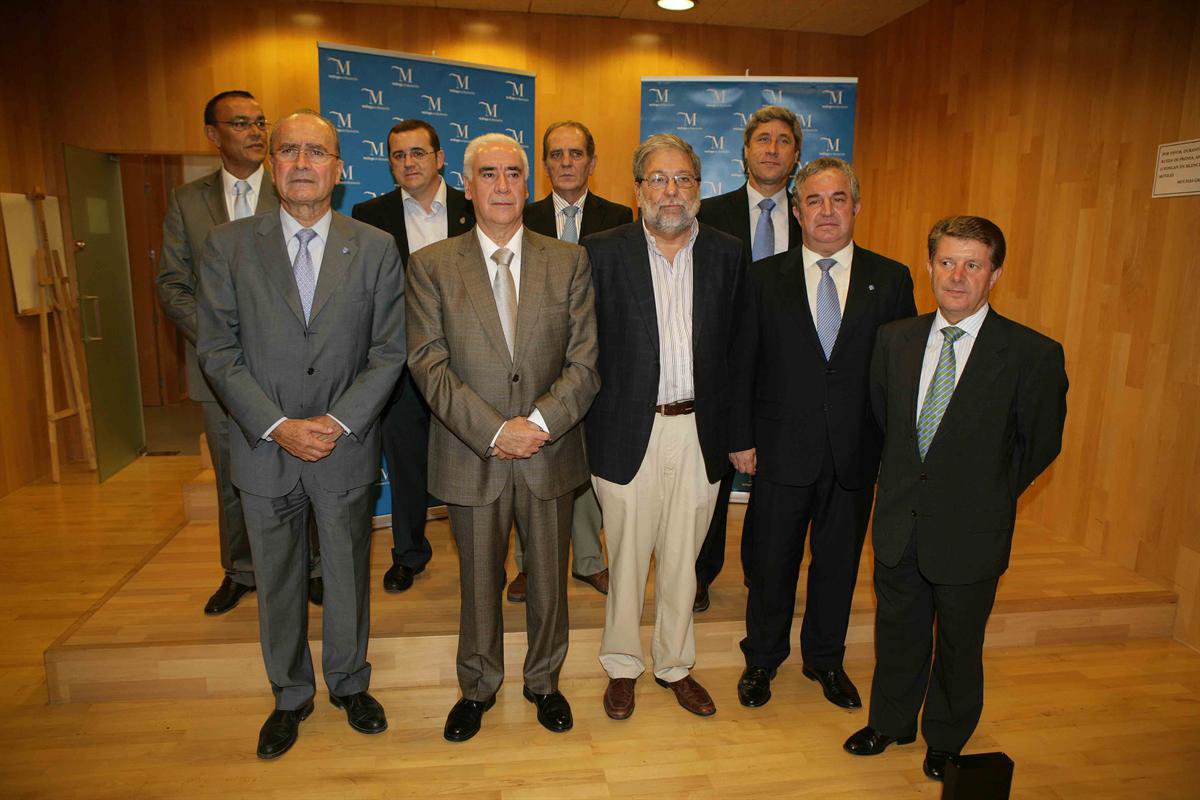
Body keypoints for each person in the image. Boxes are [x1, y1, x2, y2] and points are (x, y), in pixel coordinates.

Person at [197, 110, 406, 759]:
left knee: (346, 571)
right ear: (272, 164)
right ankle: (290, 694)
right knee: (279, 579)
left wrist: (337, 422)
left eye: (318, 152)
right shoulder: (228, 245)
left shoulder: (374, 246)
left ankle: (349, 682)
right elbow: (217, 352)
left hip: (344, 446)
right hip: (264, 446)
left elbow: (389, 351)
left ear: (338, 169)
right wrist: (279, 425)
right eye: (289, 150)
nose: (302, 163)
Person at [844, 215, 1067, 781]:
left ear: (995, 274)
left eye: (973, 265)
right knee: (898, 631)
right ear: (929, 266)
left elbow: (1039, 444)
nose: (958, 276)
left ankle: (946, 738)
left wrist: (985, 491)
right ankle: (891, 722)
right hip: (900, 520)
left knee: (959, 645)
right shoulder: (895, 339)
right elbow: (886, 421)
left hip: (973, 527)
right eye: (947, 262)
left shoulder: (1032, 354)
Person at [405, 133, 599, 742]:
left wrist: (536, 426)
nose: (502, 185)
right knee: (479, 583)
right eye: (488, 174)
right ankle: (477, 687)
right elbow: (428, 365)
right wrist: (495, 430)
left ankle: (544, 682)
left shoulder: (568, 261)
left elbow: (585, 362)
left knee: (549, 583)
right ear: (467, 186)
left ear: (527, 183)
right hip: (472, 455)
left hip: (549, 452)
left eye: (513, 173)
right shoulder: (431, 265)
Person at [729, 157, 917, 711]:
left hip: (855, 452)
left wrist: (896, 451)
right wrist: (739, 437)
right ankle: (762, 659)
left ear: (856, 207)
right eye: (814, 200)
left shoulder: (892, 278)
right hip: (779, 449)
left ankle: (825, 660)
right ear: (796, 211)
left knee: (837, 565)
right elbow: (741, 364)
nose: (827, 211)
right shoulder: (763, 277)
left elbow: (902, 372)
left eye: (838, 199)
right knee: (772, 563)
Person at [584, 134, 745, 721]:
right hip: (626, 431)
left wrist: (741, 434)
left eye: (682, 179)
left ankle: (675, 664)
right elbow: (581, 348)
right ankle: (622, 665)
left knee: (684, 559)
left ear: (699, 188)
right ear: (638, 190)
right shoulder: (601, 252)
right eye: (658, 178)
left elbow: (740, 350)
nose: (671, 191)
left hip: (701, 432)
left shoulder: (728, 253)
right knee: (626, 558)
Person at [156, 90, 323, 615]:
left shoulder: (294, 188)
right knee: (234, 477)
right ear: (213, 134)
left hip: (293, 369)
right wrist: (221, 342)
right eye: (240, 123)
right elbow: (172, 286)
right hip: (220, 375)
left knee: (307, 470)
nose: (254, 131)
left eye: (260, 122)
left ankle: (313, 568)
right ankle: (241, 570)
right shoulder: (188, 201)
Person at [506, 120, 633, 603]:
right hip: (534, 359)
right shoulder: (524, 214)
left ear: (591, 162)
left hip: (595, 361)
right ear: (544, 165)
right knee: (533, 462)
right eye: (556, 154)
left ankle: (588, 560)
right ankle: (529, 564)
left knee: (585, 461)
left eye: (575, 154)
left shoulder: (620, 216)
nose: (565, 162)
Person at [352, 119, 475, 594]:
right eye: (399, 155)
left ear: (440, 158)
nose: (408, 163)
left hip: (467, 364)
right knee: (405, 465)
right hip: (400, 366)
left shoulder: (474, 206)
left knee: (472, 464)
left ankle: (478, 554)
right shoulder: (370, 214)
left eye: (418, 153)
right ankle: (408, 554)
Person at [693, 104, 804, 612]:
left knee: (775, 486)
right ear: (745, 151)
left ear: (796, 155)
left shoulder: (812, 218)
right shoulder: (709, 215)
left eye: (783, 141)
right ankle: (700, 574)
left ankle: (763, 574)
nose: (772, 149)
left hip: (786, 377)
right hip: (720, 373)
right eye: (763, 139)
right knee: (712, 482)